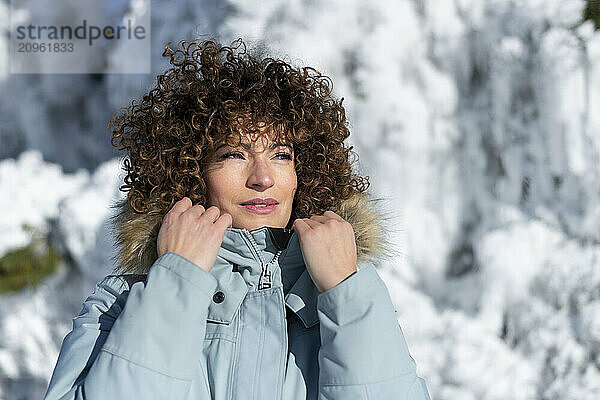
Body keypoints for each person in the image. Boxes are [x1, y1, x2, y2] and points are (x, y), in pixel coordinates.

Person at [43, 37, 431, 400]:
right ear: (190, 172)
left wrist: (345, 294)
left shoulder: (347, 300)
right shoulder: (120, 304)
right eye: (233, 154)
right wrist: (175, 285)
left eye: (281, 155)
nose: (262, 178)